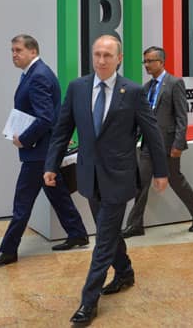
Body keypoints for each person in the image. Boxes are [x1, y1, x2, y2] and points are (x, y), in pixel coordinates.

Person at [44, 35, 168, 325]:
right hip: (89, 176)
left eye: (107, 55)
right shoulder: (77, 88)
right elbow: (62, 130)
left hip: (119, 177)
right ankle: (125, 271)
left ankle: (89, 301)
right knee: (108, 232)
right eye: (97, 54)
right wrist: (51, 164)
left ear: (119, 58)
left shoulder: (133, 91)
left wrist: (161, 172)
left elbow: (152, 135)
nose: (101, 60)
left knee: (102, 239)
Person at [0, 34, 89, 266]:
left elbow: (45, 118)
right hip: (44, 149)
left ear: (32, 51)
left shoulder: (38, 76)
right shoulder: (34, 73)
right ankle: (77, 233)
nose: (14, 55)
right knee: (57, 193)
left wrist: (24, 139)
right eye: (12, 50)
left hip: (39, 151)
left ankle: (8, 250)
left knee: (22, 201)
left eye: (18, 50)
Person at [122, 46, 193, 238]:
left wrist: (179, 144)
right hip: (148, 145)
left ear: (161, 62)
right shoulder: (146, 88)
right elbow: (142, 118)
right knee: (141, 182)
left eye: (149, 61)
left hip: (168, 144)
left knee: (175, 180)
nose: (146, 65)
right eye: (144, 61)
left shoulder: (174, 83)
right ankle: (135, 225)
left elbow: (181, 116)